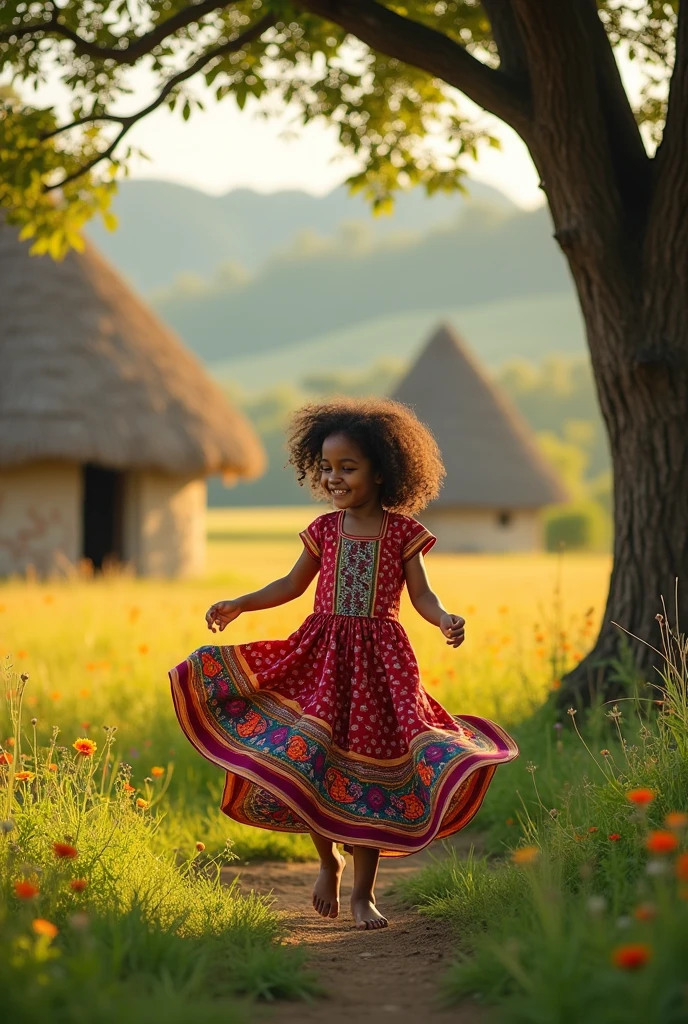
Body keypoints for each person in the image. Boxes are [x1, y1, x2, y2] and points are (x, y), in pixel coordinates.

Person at [170, 397, 518, 930]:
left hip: (381, 667)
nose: (334, 478)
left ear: (382, 471)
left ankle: (364, 893)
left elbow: (423, 595)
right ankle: (326, 861)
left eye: (348, 468)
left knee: (369, 770)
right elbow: (290, 586)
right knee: (317, 759)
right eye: (327, 468)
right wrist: (240, 602)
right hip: (322, 655)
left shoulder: (404, 534)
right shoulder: (324, 530)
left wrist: (444, 617)